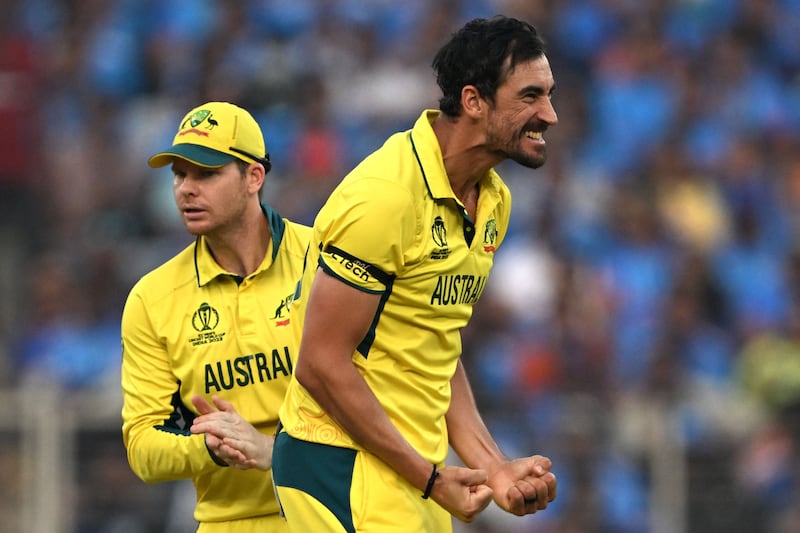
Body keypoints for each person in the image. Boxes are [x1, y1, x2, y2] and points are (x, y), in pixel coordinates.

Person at [271, 15, 559, 533]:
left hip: (414, 471)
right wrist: (428, 478)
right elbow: (319, 363)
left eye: (549, 95)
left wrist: (492, 467)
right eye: (530, 96)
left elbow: (434, 346)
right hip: (341, 466)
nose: (550, 115)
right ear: (473, 101)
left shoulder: (493, 201)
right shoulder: (386, 197)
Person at [121, 101, 311, 533]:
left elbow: (379, 398)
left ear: (254, 177)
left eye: (205, 174)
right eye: (179, 174)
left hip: (335, 515)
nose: (185, 189)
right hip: (228, 522)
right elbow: (142, 446)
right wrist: (210, 446)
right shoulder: (152, 299)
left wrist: (277, 451)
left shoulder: (323, 261)